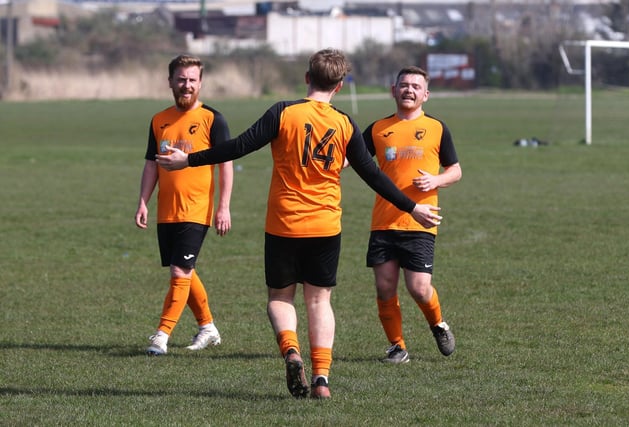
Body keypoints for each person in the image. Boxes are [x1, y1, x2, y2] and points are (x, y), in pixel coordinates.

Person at [156, 49, 442, 399]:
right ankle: (321, 377)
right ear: (339, 86)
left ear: (307, 78)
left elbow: (239, 147)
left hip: (283, 225)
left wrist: (189, 160)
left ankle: (291, 350)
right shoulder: (344, 123)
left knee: (280, 298)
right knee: (320, 302)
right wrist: (412, 207)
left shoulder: (283, 112)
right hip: (325, 226)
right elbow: (374, 176)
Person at [134, 54, 234, 356]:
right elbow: (152, 165)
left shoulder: (213, 119)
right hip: (167, 211)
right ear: (170, 82)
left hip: (197, 210)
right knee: (185, 272)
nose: (186, 85)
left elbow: (226, 164)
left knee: (180, 271)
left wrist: (224, 206)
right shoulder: (159, 120)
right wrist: (143, 202)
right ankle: (208, 327)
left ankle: (161, 336)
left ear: (200, 83)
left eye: (192, 80)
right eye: (181, 79)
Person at [361, 66, 462, 364]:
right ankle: (397, 346)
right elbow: (351, 159)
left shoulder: (437, 128)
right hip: (383, 221)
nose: (409, 90)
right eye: (403, 85)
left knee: (418, 288)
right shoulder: (378, 129)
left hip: (420, 220)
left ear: (426, 95)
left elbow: (455, 171)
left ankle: (438, 324)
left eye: (416, 86)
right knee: (384, 287)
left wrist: (436, 181)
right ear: (393, 90)